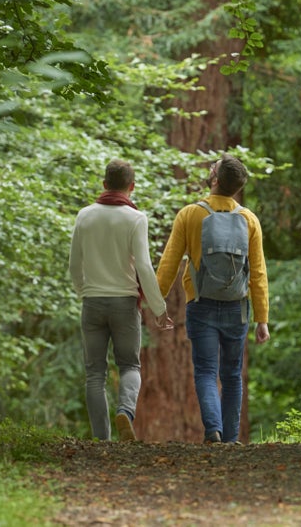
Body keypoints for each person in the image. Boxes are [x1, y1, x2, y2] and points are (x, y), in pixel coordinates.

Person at [156, 154, 270, 443]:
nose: (210, 169)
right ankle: (230, 441)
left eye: (213, 167)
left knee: (206, 371)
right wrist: (262, 319)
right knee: (232, 376)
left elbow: (169, 263)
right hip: (237, 308)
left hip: (201, 304)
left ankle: (213, 431)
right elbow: (257, 273)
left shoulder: (190, 214)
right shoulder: (249, 219)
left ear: (216, 180)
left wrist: (157, 304)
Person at [69, 159, 174, 442]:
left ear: (104, 184)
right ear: (132, 187)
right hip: (125, 304)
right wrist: (159, 307)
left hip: (92, 302)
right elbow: (144, 266)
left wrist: (85, 291)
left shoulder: (84, 216)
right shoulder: (136, 218)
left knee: (94, 374)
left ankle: (101, 440)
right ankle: (125, 412)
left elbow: (73, 266)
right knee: (129, 365)